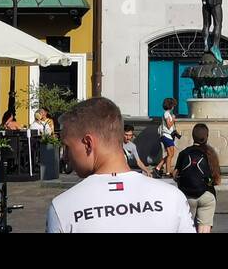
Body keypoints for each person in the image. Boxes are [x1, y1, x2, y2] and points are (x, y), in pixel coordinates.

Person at [46, 96, 193, 233]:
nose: (65, 156)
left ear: (88, 143)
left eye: (67, 147)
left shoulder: (63, 207)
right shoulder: (173, 198)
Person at [175, 122, 222, 233]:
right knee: (204, 228)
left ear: (193, 136)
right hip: (207, 194)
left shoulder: (184, 153)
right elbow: (217, 179)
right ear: (207, 136)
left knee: (187, 227)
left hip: (187, 195)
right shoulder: (211, 153)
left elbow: (175, 174)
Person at [156, 97, 179, 177]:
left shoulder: (168, 114)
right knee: (170, 155)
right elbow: (169, 125)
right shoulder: (166, 114)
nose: (174, 107)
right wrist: (173, 119)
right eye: (173, 105)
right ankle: (168, 172)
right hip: (166, 135)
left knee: (171, 154)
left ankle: (158, 167)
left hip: (168, 136)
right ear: (171, 105)